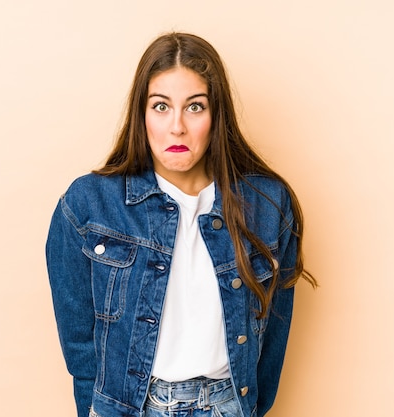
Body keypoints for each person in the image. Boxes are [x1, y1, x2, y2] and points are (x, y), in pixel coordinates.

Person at [46, 32, 316, 417]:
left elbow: (273, 336)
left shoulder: (266, 205)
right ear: (141, 113)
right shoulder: (89, 204)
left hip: (228, 407)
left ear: (215, 115)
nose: (177, 127)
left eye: (194, 107)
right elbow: (79, 343)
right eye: (160, 106)